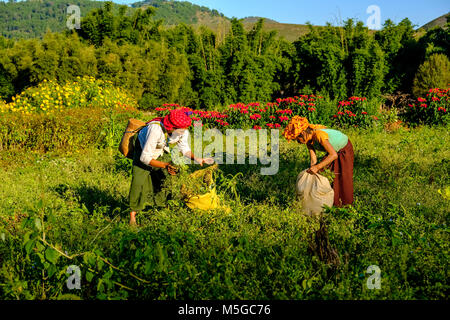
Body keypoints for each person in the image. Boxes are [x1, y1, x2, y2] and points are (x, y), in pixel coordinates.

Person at [128, 109, 213, 225]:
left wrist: (197, 158)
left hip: (160, 150)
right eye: (180, 130)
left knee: (165, 178)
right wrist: (165, 164)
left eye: (184, 130)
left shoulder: (182, 131)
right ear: (171, 127)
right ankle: (132, 217)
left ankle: (160, 208)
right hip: (143, 150)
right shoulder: (155, 130)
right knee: (139, 182)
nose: (183, 133)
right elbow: (145, 158)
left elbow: (184, 149)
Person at [283, 116, 354, 207]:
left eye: (297, 139)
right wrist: (312, 169)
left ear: (303, 133)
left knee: (343, 177)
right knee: (324, 174)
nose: (298, 142)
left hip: (344, 149)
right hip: (334, 151)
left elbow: (333, 155)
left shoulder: (319, 135)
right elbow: (313, 159)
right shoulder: (308, 140)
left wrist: (317, 167)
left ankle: (345, 205)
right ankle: (329, 203)